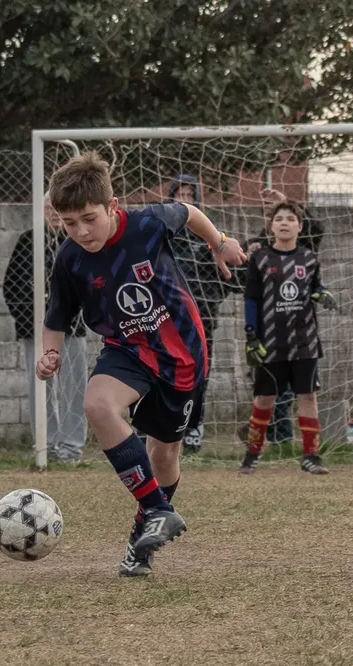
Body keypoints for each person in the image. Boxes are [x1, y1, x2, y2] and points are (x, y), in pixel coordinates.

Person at [38, 152, 245, 578]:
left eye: (89, 219)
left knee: (163, 455)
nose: (81, 231)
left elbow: (188, 211)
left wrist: (219, 242)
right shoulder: (70, 258)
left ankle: (141, 542)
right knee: (97, 404)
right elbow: (55, 318)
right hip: (126, 349)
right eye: (69, 223)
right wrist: (51, 353)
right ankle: (156, 510)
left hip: (182, 355)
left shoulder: (147, 223)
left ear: (112, 206)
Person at [239, 202, 334, 475]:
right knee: (264, 398)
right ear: (271, 225)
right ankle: (252, 454)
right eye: (279, 218)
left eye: (290, 219)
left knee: (308, 396)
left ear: (299, 227)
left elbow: (317, 287)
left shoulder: (309, 258)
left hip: (305, 341)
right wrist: (250, 334)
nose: (284, 222)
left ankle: (310, 456)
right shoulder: (260, 258)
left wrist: (322, 293)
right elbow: (251, 299)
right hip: (270, 342)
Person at [3, 198, 87, 462]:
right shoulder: (28, 241)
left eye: (59, 210)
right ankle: (45, 444)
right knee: (40, 387)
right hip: (35, 330)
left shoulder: (77, 242)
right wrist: (30, 319)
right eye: (49, 209)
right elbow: (11, 286)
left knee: (75, 387)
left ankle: (71, 447)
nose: (54, 214)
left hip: (72, 328)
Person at [166, 175, 243, 453]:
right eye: (180, 194)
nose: (184, 199)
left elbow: (229, 280)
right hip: (165, 320)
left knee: (198, 376)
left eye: (190, 195)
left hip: (201, 320)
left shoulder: (209, 238)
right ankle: (158, 428)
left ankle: (193, 428)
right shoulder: (163, 236)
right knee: (163, 375)